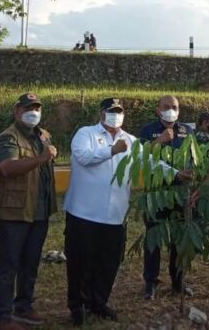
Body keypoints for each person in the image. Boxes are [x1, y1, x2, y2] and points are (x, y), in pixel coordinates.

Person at [62, 98, 135, 326]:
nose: (115, 115)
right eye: (111, 111)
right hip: (84, 214)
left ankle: (98, 302)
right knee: (80, 263)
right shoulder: (86, 134)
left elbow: (149, 162)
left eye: (119, 111)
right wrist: (112, 150)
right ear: (101, 114)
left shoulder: (130, 140)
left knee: (108, 263)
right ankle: (78, 306)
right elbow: (83, 157)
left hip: (115, 215)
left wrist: (175, 173)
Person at [0, 93, 57, 330]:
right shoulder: (8, 137)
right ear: (16, 111)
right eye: (28, 108)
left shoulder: (44, 135)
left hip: (39, 210)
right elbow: (7, 167)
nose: (34, 112)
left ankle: (24, 305)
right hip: (14, 211)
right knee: (9, 263)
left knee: (30, 262)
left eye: (37, 108)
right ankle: (2, 315)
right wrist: (41, 158)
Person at [139, 96, 195, 300]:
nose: (170, 110)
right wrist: (159, 141)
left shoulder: (187, 131)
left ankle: (178, 281)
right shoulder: (147, 130)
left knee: (178, 240)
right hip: (156, 193)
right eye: (166, 107)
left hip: (181, 194)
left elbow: (194, 158)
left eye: (174, 107)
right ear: (158, 110)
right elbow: (141, 156)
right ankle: (150, 283)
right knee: (153, 239)